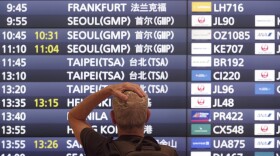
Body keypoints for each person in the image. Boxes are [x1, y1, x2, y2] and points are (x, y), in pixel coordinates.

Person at [68, 82, 178, 156]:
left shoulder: (104, 150)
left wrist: (108, 90)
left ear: (113, 117)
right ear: (147, 116)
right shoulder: (170, 153)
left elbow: (75, 117)